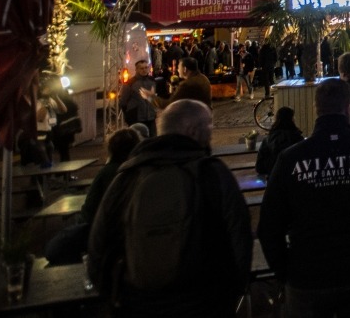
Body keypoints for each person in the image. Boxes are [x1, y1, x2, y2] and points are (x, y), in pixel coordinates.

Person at [87, 99, 252, 317]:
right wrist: (227, 297)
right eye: (209, 125)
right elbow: (240, 236)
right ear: (193, 131)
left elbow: (98, 244)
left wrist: (118, 298)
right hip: (203, 304)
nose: (212, 131)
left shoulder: (127, 177)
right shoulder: (211, 173)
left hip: (138, 305)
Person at [258, 78, 350, 317]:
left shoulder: (290, 159)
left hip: (307, 277)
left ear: (316, 109)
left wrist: (285, 272)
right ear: (349, 108)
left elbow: (269, 225)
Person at [45, 127, 141, 265]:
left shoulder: (108, 171)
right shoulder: (137, 170)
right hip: (121, 229)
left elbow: (91, 209)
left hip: (96, 228)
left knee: (55, 246)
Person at [255, 106, 304, 179]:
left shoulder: (268, 139)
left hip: (274, 180)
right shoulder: (298, 138)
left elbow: (259, 167)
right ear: (291, 120)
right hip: (295, 179)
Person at [145, 56, 211, 108]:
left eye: (179, 67)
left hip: (193, 120)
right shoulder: (204, 78)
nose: (178, 70)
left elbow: (169, 105)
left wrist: (151, 97)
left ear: (185, 69)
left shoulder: (186, 85)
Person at [120, 60, 157, 136]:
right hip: (136, 117)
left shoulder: (152, 81)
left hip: (150, 116)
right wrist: (128, 115)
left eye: (146, 68)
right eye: (141, 68)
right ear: (136, 69)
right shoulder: (130, 83)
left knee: (152, 139)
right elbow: (123, 101)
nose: (144, 70)